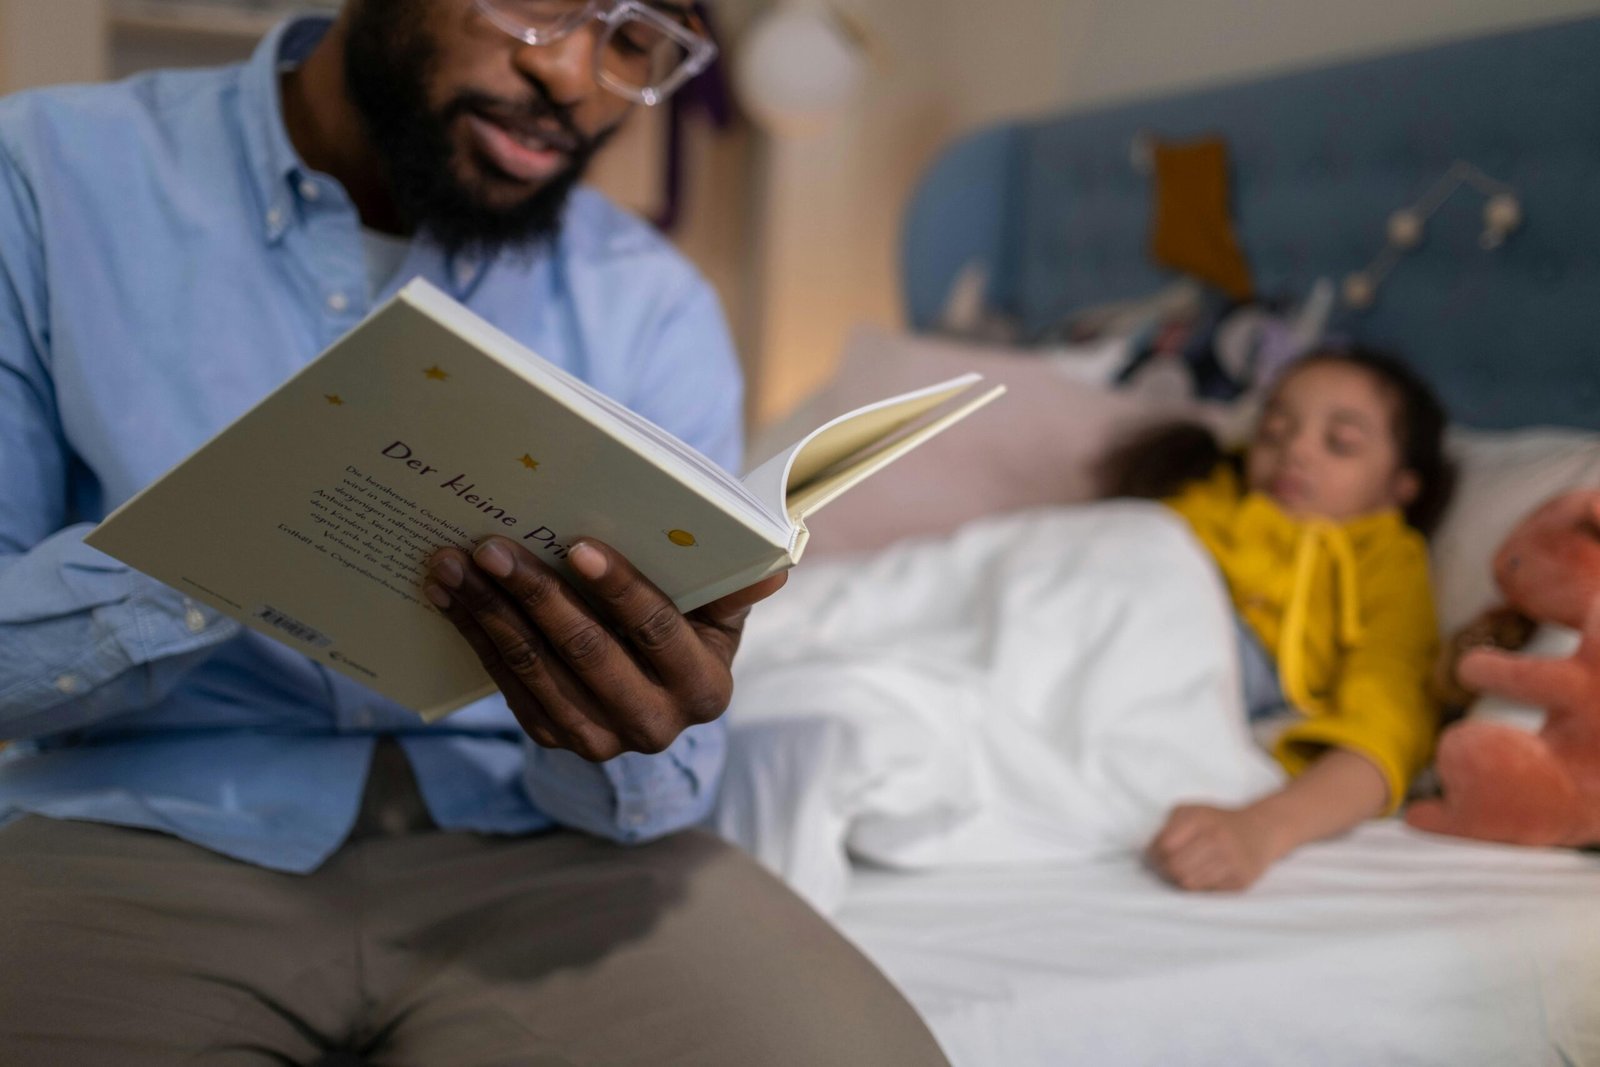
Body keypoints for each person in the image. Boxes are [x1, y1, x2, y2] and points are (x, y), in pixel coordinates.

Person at [0, 2, 948, 1064]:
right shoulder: (44, 177)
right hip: (138, 823)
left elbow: (668, 781)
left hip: (543, 842)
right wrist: (215, 546)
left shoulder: (653, 302)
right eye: (547, 4)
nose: (579, 79)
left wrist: (642, 731)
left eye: (638, 38)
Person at [1107, 347, 1454, 892]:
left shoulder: (1387, 562)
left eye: (1340, 443)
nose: (1295, 450)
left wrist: (1260, 830)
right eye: (1274, 430)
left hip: (1215, 653)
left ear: (1400, 487)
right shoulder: (1198, 502)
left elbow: (1388, 727)